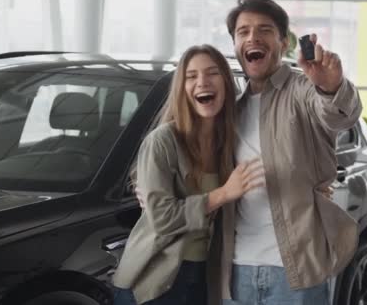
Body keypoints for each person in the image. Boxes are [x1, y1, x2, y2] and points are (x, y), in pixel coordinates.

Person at [216, 0, 363, 305]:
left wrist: (331, 86)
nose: (252, 37)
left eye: (264, 30)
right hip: (237, 270)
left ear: (283, 42)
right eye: (243, 32)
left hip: (294, 271)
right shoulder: (230, 107)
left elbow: (339, 113)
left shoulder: (302, 90)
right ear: (235, 44)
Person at [112, 44, 265, 305]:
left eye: (212, 73)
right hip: (155, 281)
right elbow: (162, 218)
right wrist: (223, 193)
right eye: (192, 76)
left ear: (227, 83)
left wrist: (313, 186)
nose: (202, 82)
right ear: (182, 88)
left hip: (205, 275)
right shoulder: (162, 141)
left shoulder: (231, 144)